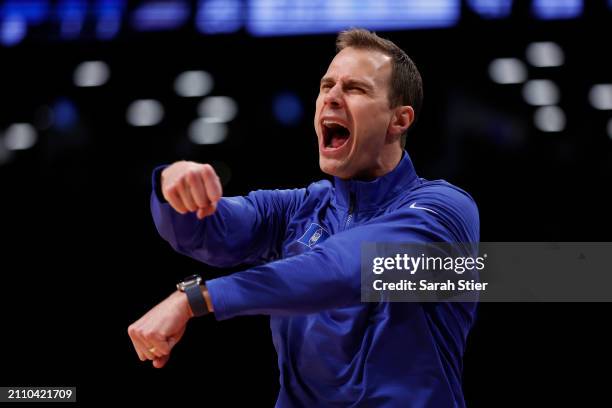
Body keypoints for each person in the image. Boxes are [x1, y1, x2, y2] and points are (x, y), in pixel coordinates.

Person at [128, 28, 479, 407]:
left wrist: (197, 299)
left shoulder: (444, 211)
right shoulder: (297, 209)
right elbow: (206, 230)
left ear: (400, 120)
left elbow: (348, 268)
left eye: (355, 89)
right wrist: (172, 189)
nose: (331, 97)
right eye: (327, 85)